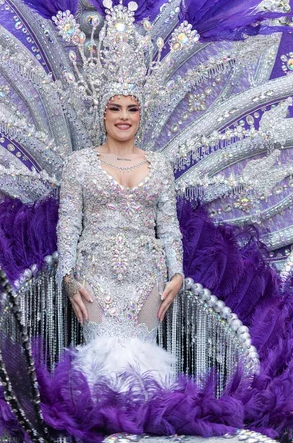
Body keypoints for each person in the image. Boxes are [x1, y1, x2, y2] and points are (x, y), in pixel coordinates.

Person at [56, 92, 184, 387]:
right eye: (115, 108)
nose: (124, 116)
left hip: (147, 275)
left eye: (132, 109)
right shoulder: (79, 163)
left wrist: (177, 273)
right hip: (96, 274)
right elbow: (69, 224)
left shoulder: (160, 165)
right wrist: (66, 276)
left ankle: (139, 429)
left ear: (141, 115)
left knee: (144, 360)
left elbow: (168, 226)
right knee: (100, 358)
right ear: (103, 114)